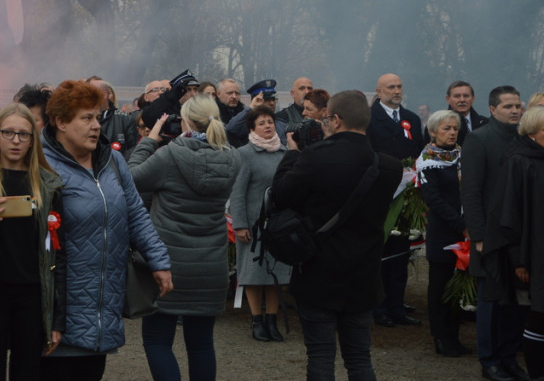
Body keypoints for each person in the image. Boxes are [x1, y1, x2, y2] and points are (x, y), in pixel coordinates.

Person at [39, 80, 172, 381]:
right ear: (60, 122)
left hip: (103, 305)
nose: (96, 126)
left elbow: (135, 213)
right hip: (59, 306)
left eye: (97, 117)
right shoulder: (41, 165)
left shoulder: (111, 162)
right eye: (86, 118)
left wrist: (158, 260)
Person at [272, 90, 402, 380]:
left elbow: (280, 196)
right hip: (364, 273)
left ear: (337, 120)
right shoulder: (388, 166)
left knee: (320, 356)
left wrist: (293, 154)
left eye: (327, 118)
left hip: (319, 270)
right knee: (359, 358)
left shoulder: (315, 158)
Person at [128, 96, 239, 381]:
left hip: (169, 265)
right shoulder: (231, 157)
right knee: (201, 344)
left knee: (157, 341)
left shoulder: (170, 156)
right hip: (210, 266)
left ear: (185, 121)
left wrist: (150, 140)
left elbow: (129, 179)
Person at [0, 103, 66, 380]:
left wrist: (57, 318)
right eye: (8, 133)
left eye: (24, 134)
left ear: (33, 140)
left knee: (27, 373)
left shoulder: (49, 184)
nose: (16, 141)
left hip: (32, 294)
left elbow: (58, 253)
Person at [461, 86, 528, 381]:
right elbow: (471, 191)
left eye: (518, 106)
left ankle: (509, 357)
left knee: (516, 302)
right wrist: (477, 235)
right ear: (492, 109)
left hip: (519, 236)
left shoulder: (524, 140)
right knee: (490, 301)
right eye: (508, 106)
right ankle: (488, 361)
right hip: (488, 235)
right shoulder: (479, 139)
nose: (514, 111)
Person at [483, 106, 544, 381]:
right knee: (535, 314)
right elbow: (509, 214)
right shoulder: (518, 161)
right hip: (529, 252)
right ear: (533, 131)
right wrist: (519, 258)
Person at [229, 105, 290, 343]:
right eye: (262, 123)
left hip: (278, 225)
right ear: (252, 128)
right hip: (253, 226)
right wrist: (240, 224)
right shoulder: (244, 153)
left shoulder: (284, 153)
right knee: (253, 274)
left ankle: (272, 321)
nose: (267, 126)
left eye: (270, 122)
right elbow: (237, 192)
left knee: (276, 273)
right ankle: (257, 320)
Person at [366, 73, 424, 328]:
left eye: (399, 86)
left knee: (401, 254)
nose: (396, 91)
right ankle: (378, 307)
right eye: (391, 87)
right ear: (379, 91)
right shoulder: (369, 119)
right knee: (380, 253)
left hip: (407, 196)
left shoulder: (411, 119)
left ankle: (397, 307)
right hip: (380, 196)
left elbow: (419, 153)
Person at [416, 109, 469, 358]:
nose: (451, 133)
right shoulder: (428, 159)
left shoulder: (460, 154)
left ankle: (454, 335)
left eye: (455, 128)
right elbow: (434, 200)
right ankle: (440, 337)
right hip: (444, 231)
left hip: (464, 227)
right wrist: (460, 224)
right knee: (439, 286)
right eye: (446, 128)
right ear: (433, 131)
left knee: (457, 285)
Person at [89, 78, 139, 154]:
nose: (85, 96)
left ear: (104, 94)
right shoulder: (81, 119)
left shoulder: (125, 119)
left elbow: (132, 149)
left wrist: (117, 162)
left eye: (89, 93)